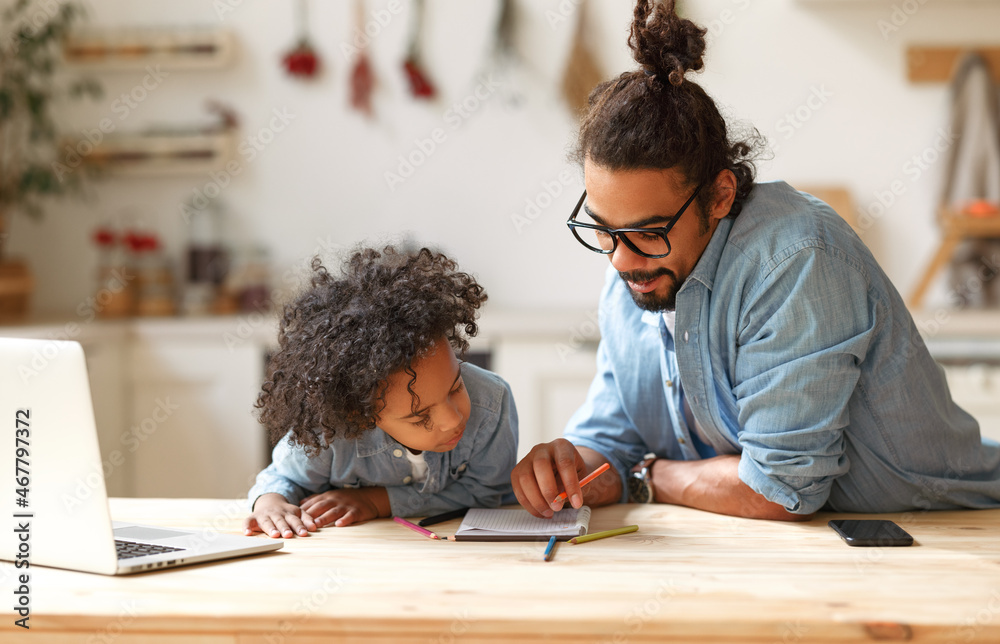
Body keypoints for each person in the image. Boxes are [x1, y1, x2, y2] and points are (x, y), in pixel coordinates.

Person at [512, 0, 1000, 521]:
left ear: (720, 196)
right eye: (605, 231)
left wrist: (649, 478)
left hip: (946, 529)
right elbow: (612, 441)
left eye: (649, 232)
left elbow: (779, 490)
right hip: (793, 547)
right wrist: (566, 467)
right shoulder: (638, 270)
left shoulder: (795, 261)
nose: (619, 261)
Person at [245, 246, 518, 538]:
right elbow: (282, 477)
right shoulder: (330, 432)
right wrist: (270, 503)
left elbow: (488, 494)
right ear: (360, 415)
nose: (453, 420)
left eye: (456, 387)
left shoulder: (491, 402)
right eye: (420, 415)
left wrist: (378, 501)